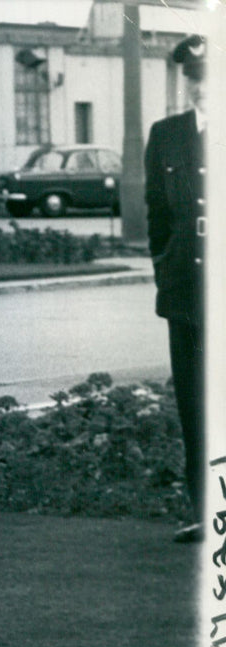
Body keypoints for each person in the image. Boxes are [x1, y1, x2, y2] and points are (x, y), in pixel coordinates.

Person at [144, 34, 207, 543]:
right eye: (193, 76)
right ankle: (205, 512)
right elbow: (157, 215)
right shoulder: (166, 134)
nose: (201, 86)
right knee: (194, 405)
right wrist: (166, 271)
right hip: (186, 294)